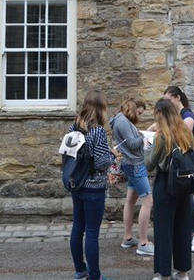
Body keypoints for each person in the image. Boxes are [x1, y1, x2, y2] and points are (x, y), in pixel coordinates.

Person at [144, 98, 194, 280]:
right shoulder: (186, 133)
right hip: (185, 185)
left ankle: (164, 274)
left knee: (163, 230)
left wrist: (146, 143)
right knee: (183, 228)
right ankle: (183, 272)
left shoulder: (161, 137)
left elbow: (149, 164)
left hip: (166, 184)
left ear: (160, 115)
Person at [69, 89, 116, 280]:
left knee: (77, 227)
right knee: (92, 232)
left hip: (76, 184)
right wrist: (111, 155)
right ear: (100, 108)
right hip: (94, 187)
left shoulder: (73, 128)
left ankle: (80, 271)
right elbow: (101, 163)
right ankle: (95, 276)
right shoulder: (97, 131)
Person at [110, 99, 154, 256]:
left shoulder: (121, 120)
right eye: (139, 112)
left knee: (130, 201)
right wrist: (148, 137)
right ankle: (143, 242)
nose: (139, 116)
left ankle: (127, 238)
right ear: (133, 108)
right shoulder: (122, 121)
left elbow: (130, 141)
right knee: (148, 201)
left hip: (130, 163)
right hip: (135, 165)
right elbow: (133, 144)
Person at [163, 86, 194, 253]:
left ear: (177, 98)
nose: (167, 103)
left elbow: (184, 132)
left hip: (188, 163)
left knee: (187, 197)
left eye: (168, 100)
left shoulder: (187, 115)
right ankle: (184, 231)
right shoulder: (175, 116)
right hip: (179, 163)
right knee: (182, 197)